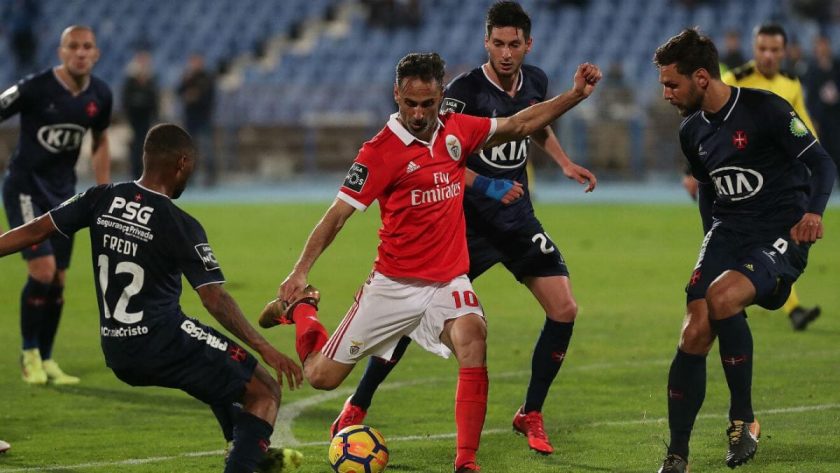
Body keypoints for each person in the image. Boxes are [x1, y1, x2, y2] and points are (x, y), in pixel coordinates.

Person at [260, 52, 600, 472]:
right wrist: (299, 272)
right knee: (320, 376)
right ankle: (303, 310)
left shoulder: (456, 131)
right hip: (392, 284)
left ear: (442, 96)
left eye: (428, 103)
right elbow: (338, 215)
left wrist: (575, 95)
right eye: (410, 104)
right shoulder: (379, 152)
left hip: (447, 281)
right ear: (396, 96)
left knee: (473, 337)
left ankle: (466, 462)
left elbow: (521, 123)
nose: (419, 114)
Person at [328, 1, 598, 456]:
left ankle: (530, 412)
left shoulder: (536, 81)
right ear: (486, 42)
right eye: (498, 43)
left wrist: (565, 162)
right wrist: (488, 185)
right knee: (412, 317)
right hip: (463, 226)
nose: (507, 52)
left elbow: (533, 123)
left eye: (515, 44)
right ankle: (359, 401)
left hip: (516, 220)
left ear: (528, 44)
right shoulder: (461, 91)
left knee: (565, 308)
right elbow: (444, 156)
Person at [0, 124, 305, 473]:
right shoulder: (179, 223)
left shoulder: (99, 197)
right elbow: (215, 299)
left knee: (221, 370)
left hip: (117, 349)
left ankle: (251, 451)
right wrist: (265, 348)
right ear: (182, 163)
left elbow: (37, 228)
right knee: (264, 390)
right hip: (161, 341)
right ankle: (246, 459)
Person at [653, 28, 836, 472]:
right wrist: (708, 242)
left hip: (781, 229)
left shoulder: (765, 109)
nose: (665, 94)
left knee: (721, 297)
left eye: (671, 84)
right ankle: (677, 455)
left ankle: (743, 420)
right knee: (693, 331)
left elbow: (822, 163)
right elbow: (708, 190)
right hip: (727, 230)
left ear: (700, 78)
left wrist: (813, 213)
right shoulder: (691, 132)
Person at [682, 23, 822, 331]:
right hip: (743, 178)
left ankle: (779, 304)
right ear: (754, 49)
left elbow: (806, 127)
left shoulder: (791, 83)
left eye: (775, 50)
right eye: (762, 49)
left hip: (781, 182)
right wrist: (691, 172)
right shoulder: (735, 80)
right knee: (761, 247)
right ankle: (776, 304)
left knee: (774, 246)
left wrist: (813, 153)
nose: (768, 56)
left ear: (784, 53)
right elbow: (705, 125)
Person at [1, 25, 112, 385]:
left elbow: (99, 140)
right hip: (26, 188)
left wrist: (104, 191)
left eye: (87, 47)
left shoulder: (100, 95)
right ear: (61, 52)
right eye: (73, 46)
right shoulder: (35, 87)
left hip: (65, 195)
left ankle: (47, 359)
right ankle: (28, 354)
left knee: (59, 282)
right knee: (43, 270)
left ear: (95, 54)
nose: (80, 53)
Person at [176, 54, 217, 187]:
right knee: (190, 150)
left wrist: (195, 97)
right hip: (190, 119)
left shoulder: (207, 77)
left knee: (207, 149)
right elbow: (179, 92)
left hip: (204, 118)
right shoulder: (187, 77)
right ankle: (190, 177)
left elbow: (209, 97)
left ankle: (210, 177)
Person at [803, 34, 840, 177]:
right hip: (821, 117)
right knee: (824, 149)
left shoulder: (837, 65)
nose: (822, 48)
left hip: (837, 115)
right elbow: (809, 97)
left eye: (824, 45)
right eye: (819, 45)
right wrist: (812, 118)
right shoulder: (811, 69)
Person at [122, 50, 159, 180]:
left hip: (146, 119)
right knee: (135, 147)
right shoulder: (130, 81)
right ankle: (135, 173)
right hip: (134, 120)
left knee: (147, 147)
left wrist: (156, 117)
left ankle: (145, 173)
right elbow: (126, 101)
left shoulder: (151, 80)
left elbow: (154, 100)